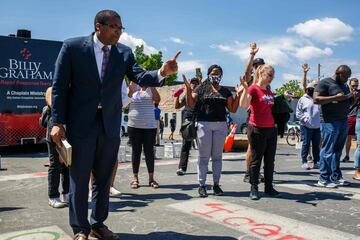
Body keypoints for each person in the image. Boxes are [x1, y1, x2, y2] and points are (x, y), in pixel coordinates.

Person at [50, 9, 179, 240]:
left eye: (121, 28)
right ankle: (80, 229)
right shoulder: (72, 47)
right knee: (79, 178)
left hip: (109, 124)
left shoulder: (124, 53)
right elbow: (59, 86)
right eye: (114, 27)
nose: (118, 32)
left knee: (103, 177)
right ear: (99, 26)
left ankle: (98, 224)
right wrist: (57, 121)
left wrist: (162, 72)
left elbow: (140, 77)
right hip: (81, 124)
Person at [184, 64, 242, 197]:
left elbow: (232, 109)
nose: (216, 76)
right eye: (213, 73)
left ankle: (216, 184)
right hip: (204, 124)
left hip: (220, 125)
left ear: (221, 76)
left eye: (218, 73)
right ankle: (202, 185)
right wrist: (188, 89)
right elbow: (191, 104)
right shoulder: (201, 88)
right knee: (203, 156)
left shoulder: (225, 91)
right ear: (208, 74)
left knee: (217, 157)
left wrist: (238, 95)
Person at [240, 64, 281, 200]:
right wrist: (245, 90)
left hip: (271, 128)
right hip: (257, 128)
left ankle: (268, 187)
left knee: (270, 160)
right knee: (256, 160)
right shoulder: (253, 89)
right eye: (269, 75)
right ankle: (254, 188)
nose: (271, 78)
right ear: (261, 73)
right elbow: (244, 105)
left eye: (273, 76)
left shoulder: (268, 90)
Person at [313, 65, 357, 188]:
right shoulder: (325, 82)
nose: (346, 80)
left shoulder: (344, 85)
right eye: (345, 77)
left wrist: (353, 98)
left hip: (343, 121)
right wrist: (334, 97)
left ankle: (335, 176)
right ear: (339, 73)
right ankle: (323, 178)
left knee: (337, 151)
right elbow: (315, 99)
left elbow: (347, 102)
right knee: (327, 150)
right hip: (329, 122)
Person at [127, 82, 161, 189]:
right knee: (136, 152)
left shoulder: (150, 89)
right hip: (134, 125)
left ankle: (151, 178)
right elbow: (126, 100)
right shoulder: (133, 87)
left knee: (149, 152)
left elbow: (157, 99)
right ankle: (135, 178)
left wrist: (151, 84)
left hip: (149, 126)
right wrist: (132, 85)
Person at [43, 87, 69, 208]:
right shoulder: (52, 89)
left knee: (67, 162)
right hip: (55, 129)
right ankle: (53, 196)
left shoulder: (72, 89)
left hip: (69, 129)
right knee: (55, 164)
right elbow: (54, 107)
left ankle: (66, 193)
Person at [242, 43, 265, 183]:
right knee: (252, 146)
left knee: (260, 147)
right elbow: (246, 72)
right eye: (257, 66)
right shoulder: (252, 80)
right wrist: (252, 54)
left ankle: (256, 171)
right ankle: (248, 172)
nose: (260, 68)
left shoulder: (265, 82)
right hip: (253, 117)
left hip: (265, 118)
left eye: (262, 65)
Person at [175, 77, 200, 176]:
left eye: (196, 83)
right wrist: (177, 96)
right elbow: (177, 106)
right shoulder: (186, 95)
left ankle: (203, 167)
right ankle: (182, 168)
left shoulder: (200, 94)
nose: (194, 84)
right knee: (186, 145)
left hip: (199, 120)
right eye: (192, 83)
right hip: (188, 122)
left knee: (202, 146)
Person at [296, 81, 321, 170]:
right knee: (306, 144)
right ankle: (304, 162)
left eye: (313, 89)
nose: (311, 91)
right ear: (307, 89)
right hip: (306, 126)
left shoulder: (318, 98)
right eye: (310, 89)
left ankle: (316, 162)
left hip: (317, 126)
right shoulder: (302, 99)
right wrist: (305, 119)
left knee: (316, 144)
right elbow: (298, 113)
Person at [342, 78, 359, 162]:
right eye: (353, 86)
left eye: (356, 86)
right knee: (348, 137)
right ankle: (347, 155)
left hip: (358, 117)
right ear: (349, 85)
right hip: (350, 116)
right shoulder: (347, 94)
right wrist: (354, 97)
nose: (355, 87)